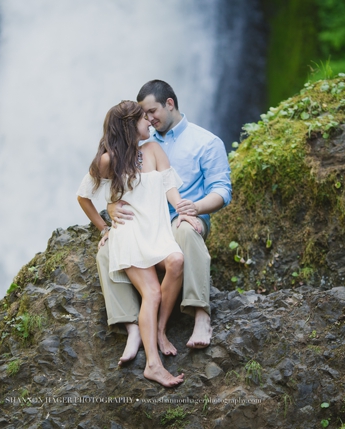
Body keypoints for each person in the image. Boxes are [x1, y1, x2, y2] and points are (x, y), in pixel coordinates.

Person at [77, 100, 199, 388]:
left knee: (177, 262)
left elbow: (171, 189)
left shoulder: (155, 150)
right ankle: (153, 365)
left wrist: (185, 212)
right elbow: (83, 196)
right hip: (130, 232)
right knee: (152, 293)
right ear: (130, 125)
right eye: (145, 118)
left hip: (156, 231)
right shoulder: (108, 160)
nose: (150, 122)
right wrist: (105, 224)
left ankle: (158, 329)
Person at [107, 80, 233, 349]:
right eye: (144, 115)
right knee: (106, 248)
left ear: (170, 103)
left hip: (181, 218)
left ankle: (200, 314)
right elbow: (115, 182)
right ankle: (131, 326)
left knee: (186, 229)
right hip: (144, 223)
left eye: (152, 111)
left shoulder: (206, 142)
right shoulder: (141, 142)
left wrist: (195, 208)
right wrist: (110, 208)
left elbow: (222, 190)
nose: (149, 120)